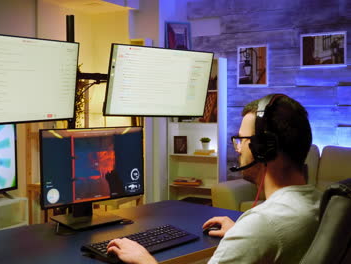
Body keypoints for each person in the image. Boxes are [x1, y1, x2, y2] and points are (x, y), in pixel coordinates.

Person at [106, 94, 322, 264]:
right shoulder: (321, 204)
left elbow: (265, 229)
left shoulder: (261, 224)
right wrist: (242, 234)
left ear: (264, 149)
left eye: (241, 141)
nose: (238, 149)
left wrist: (145, 260)